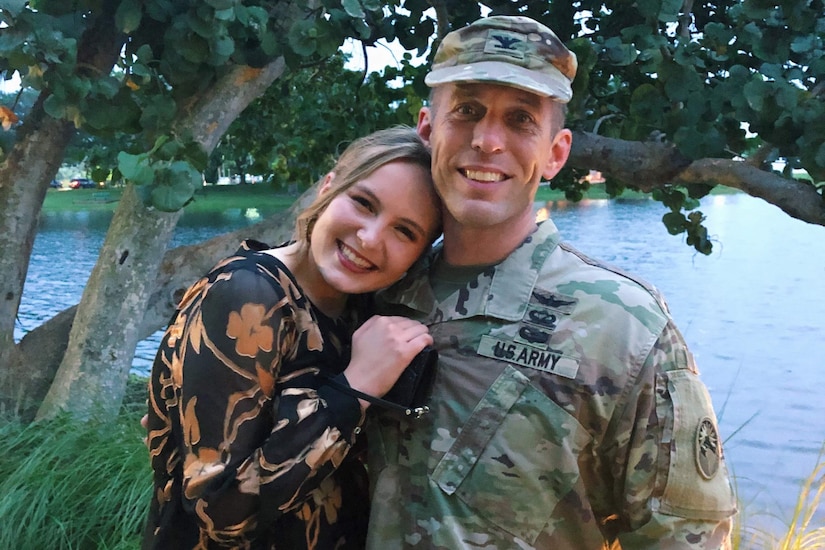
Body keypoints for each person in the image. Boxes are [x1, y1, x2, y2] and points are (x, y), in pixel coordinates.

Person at [364, 15, 738, 549]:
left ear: (556, 153)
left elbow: (684, 539)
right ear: (428, 129)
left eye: (520, 120)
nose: (488, 141)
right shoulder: (374, 289)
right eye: (467, 111)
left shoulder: (623, 327)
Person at [142, 126, 442, 549]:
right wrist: (353, 390)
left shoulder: (358, 307)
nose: (371, 239)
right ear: (329, 186)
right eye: (363, 203)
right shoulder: (247, 295)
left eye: (405, 232)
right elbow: (222, 512)